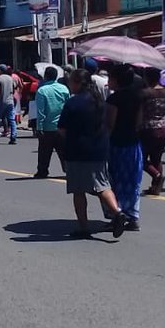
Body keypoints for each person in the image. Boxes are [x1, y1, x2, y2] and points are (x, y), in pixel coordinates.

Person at [59, 68, 128, 238]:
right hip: (99, 149)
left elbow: (61, 129)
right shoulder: (100, 101)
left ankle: (83, 227)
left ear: (76, 83)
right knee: (102, 185)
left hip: (77, 151)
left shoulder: (72, 103)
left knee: (78, 190)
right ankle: (117, 212)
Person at [107, 65, 145, 229]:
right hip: (133, 143)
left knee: (115, 181)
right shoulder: (138, 97)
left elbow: (109, 124)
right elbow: (139, 122)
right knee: (132, 180)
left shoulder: (114, 99)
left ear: (117, 80)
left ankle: (117, 214)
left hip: (117, 143)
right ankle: (133, 216)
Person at [140, 67, 165, 195]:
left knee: (141, 159)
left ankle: (157, 175)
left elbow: (140, 112)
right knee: (157, 158)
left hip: (148, 129)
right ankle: (156, 187)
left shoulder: (145, 93)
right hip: (164, 127)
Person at [33, 67, 69, 178]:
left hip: (47, 127)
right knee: (64, 151)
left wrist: (39, 127)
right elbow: (68, 107)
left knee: (44, 151)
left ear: (45, 76)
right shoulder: (64, 89)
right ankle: (69, 170)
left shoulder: (42, 90)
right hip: (62, 126)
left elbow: (40, 111)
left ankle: (42, 171)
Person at [0, 65, 18, 144]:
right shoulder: (11, 78)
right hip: (10, 101)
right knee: (12, 119)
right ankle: (13, 136)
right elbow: (14, 89)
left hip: (1, 101)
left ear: (0, 70)